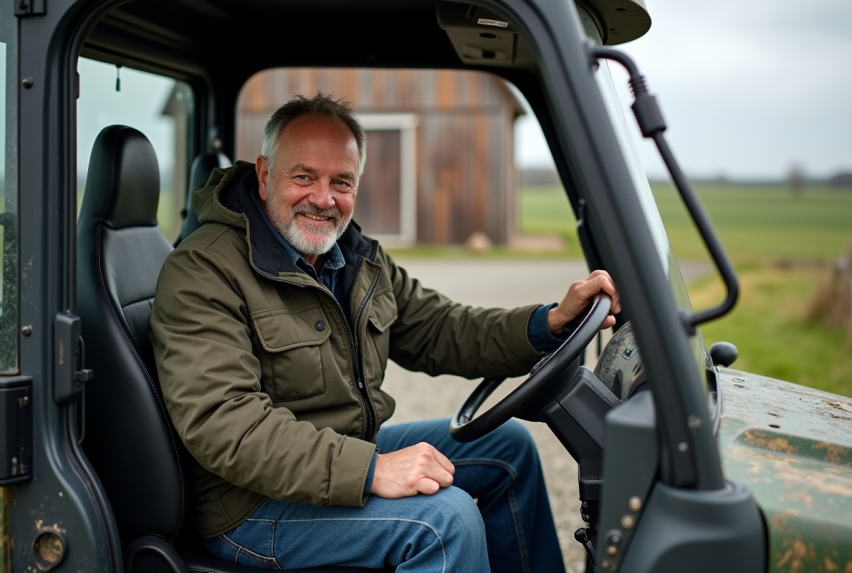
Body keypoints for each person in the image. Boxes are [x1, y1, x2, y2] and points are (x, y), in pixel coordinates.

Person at [150, 93, 620, 573]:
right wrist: (373, 469)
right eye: (304, 177)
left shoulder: (353, 257)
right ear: (265, 174)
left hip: (341, 455)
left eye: (341, 181)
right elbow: (226, 423)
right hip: (252, 505)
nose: (323, 199)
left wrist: (549, 322)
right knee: (445, 521)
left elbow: (441, 329)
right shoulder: (204, 268)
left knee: (509, 448)